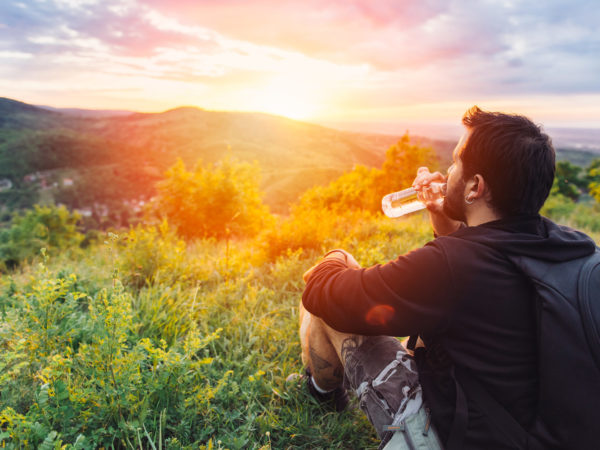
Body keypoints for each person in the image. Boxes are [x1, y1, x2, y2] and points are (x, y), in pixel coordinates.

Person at [295, 106, 598, 449]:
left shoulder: (452, 265)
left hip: (463, 436)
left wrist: (332, 260)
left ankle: (321, 391)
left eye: (455, 163)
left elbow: (325, 294)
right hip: (539, 430)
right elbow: (467, 283)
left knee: (336, 288)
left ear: (475, 187)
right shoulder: (570, 249)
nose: (446, 172)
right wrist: (443, 218)